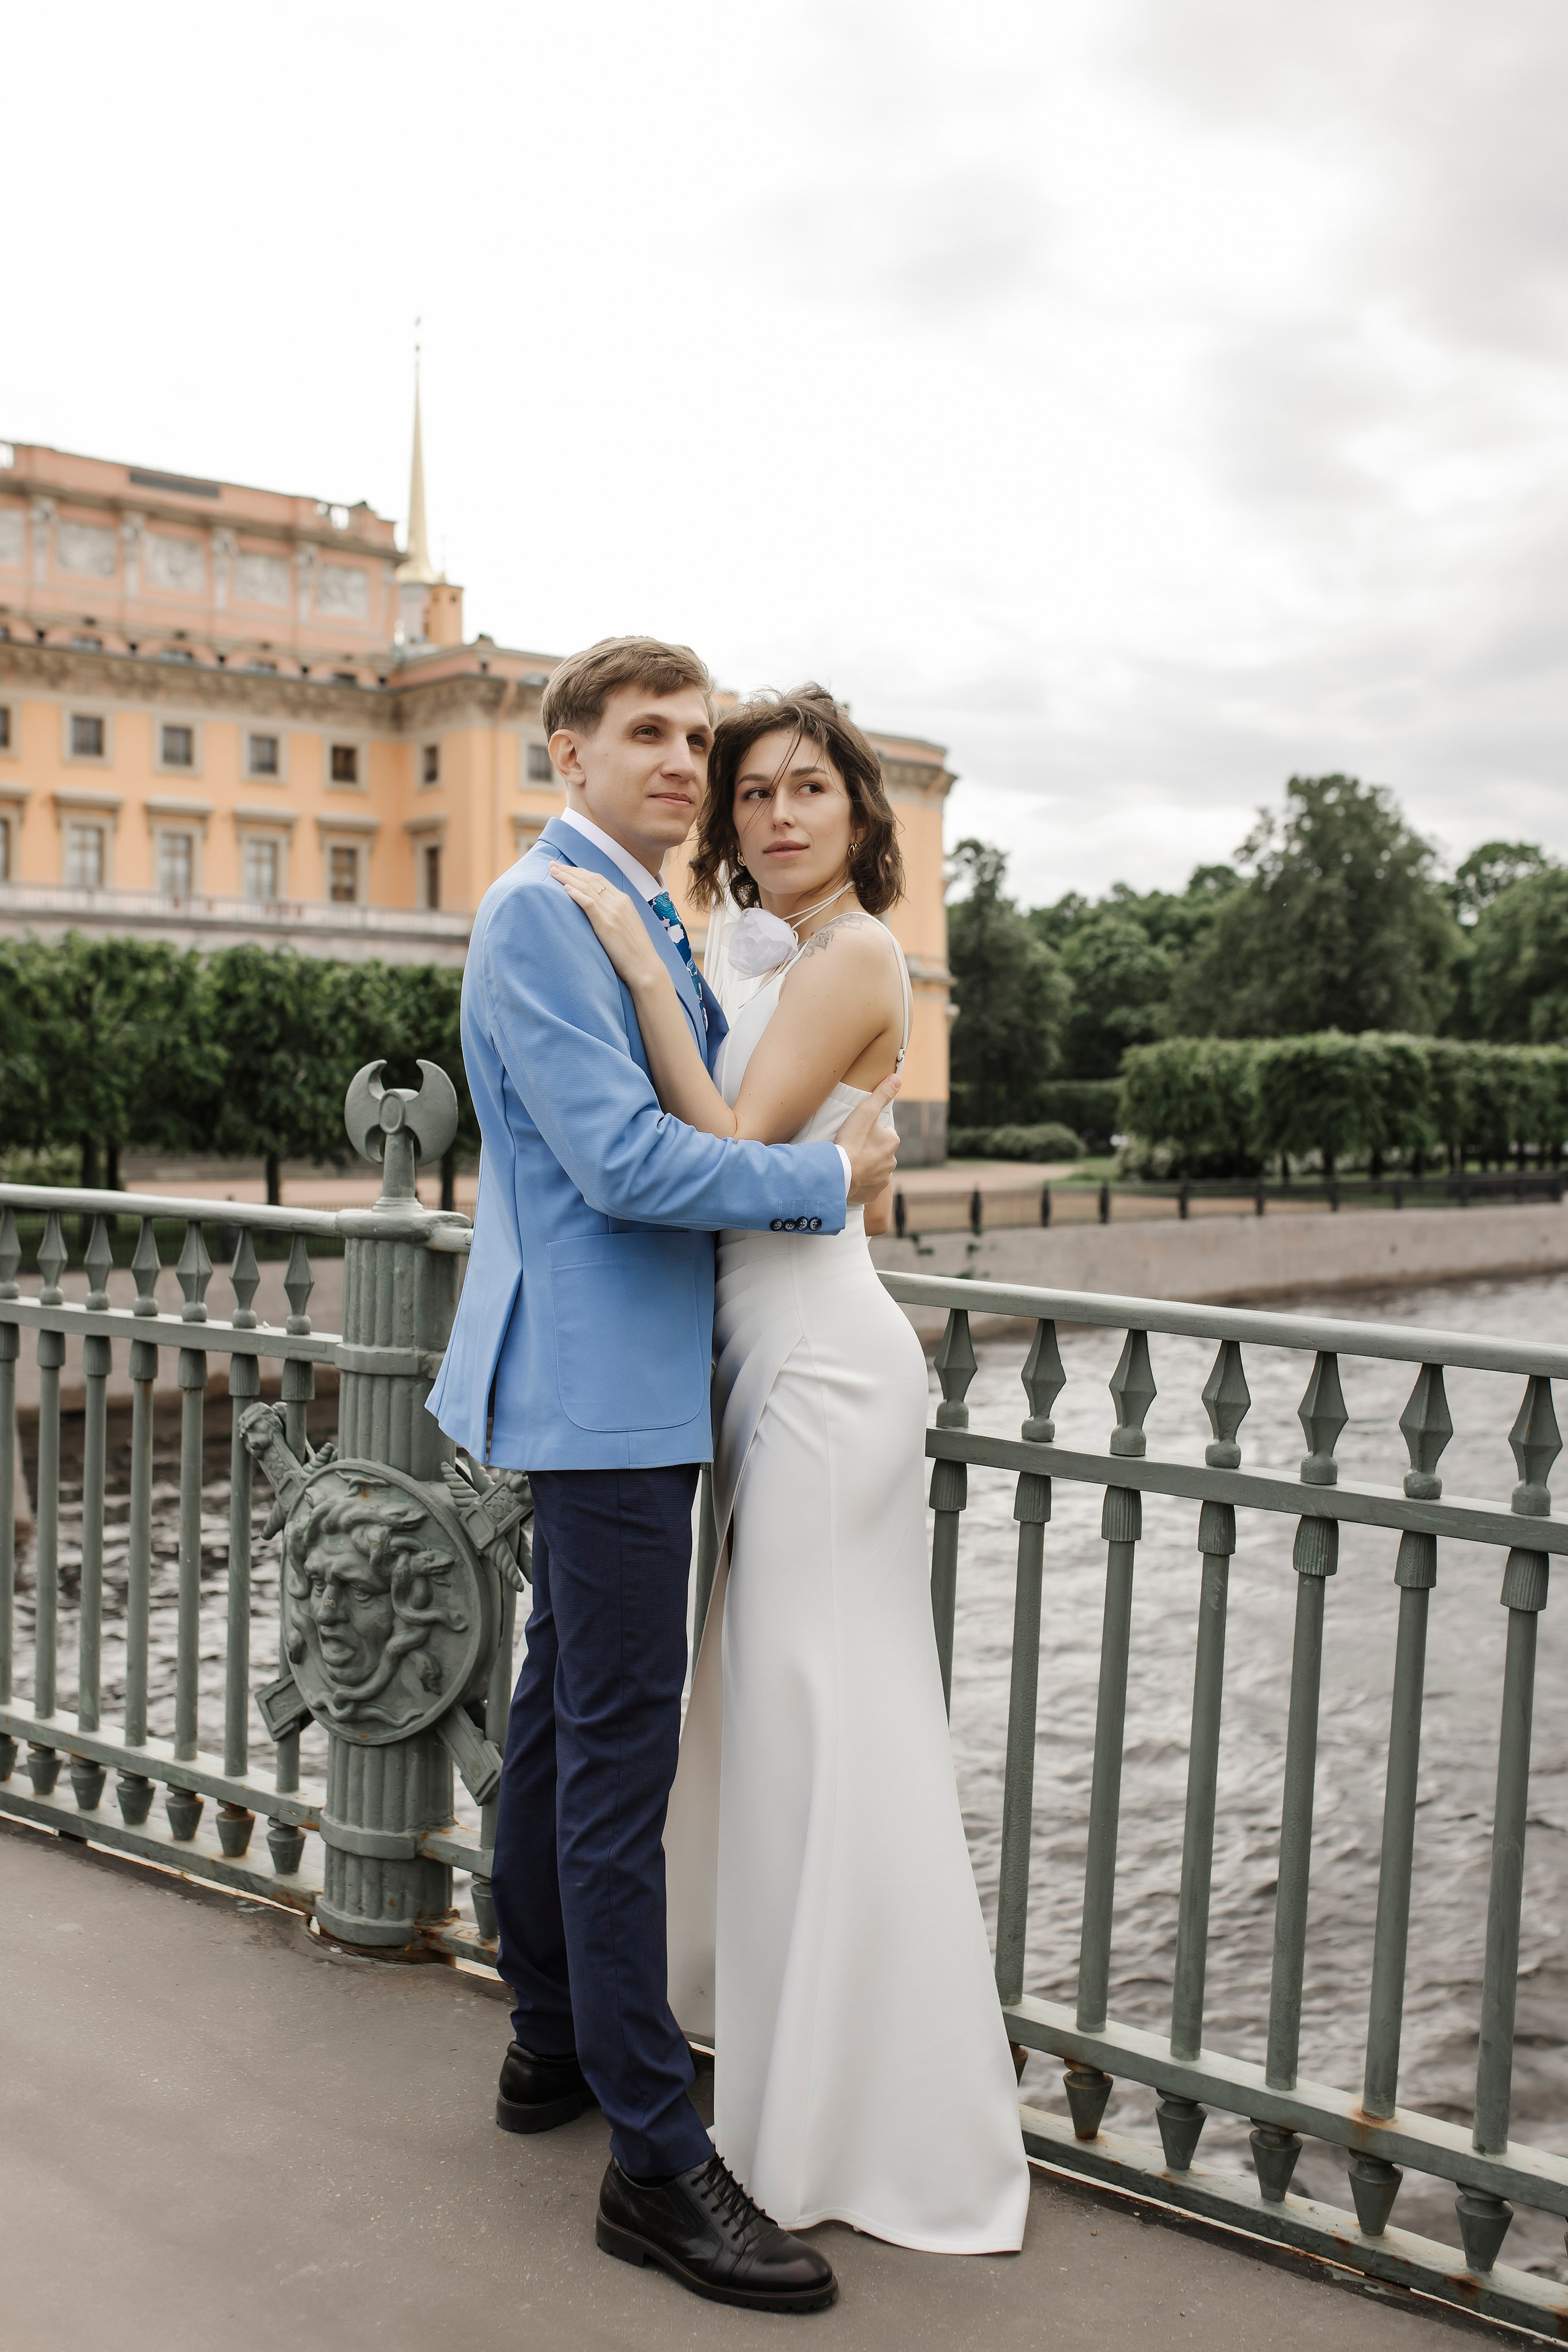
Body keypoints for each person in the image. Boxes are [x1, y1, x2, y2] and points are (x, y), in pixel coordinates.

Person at [425, 638, 901, 2317]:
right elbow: (628, 1166)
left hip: (614, 1381)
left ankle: (550, 2041)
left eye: (700, 736)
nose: (687, 762)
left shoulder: (619, 905)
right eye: (650, 735)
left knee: (565, 1719)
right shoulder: (547, 912)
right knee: (617, 1764)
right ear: (565, 753)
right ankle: (654, 2162)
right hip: (610, 1389)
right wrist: (826, 1183)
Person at [554, 684, 1031, 2257]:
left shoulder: (856, 952)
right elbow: (827, 1181)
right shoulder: (765, 951)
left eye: (805, 788)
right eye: (749, 790)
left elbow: (739, 1156)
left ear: (857, 815)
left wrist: (637, 968)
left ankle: (846, 2118)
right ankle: (779, 2078)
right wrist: (831, 1158)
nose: (769, 811)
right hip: (768, 1363)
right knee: (779, 1726)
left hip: (822, 1376)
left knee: (828, 1723)